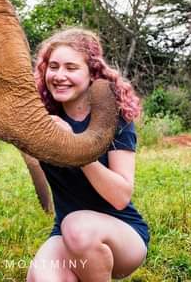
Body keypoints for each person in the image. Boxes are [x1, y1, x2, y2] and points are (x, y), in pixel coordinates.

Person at [26, 28, 149, 282]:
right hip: (64, 232)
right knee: (42, 278)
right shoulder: (43, 119)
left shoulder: (114, 118)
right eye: (54, 67)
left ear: (92, 73)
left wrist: (75, 145)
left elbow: (120, 196)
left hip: (121, 234)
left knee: (78, 228)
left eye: (71, 68)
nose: (59, 76)